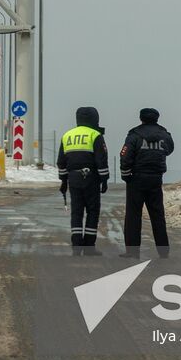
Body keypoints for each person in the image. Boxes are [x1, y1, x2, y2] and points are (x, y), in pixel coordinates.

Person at [119, 107, 174, 257]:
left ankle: (132, 251)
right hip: (156, 178)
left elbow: (125, 156)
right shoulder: (164, 134)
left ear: (141, 118)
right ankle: (163, 251)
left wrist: (126, 175)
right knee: (157, 215)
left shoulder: (134, 134)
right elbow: (170, 149)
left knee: (133, 216)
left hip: (137, 178)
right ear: (157, 118)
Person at [56, 106, 109, 253]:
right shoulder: (95, 135)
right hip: (91, 179)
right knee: (92, 211)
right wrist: (104, 179)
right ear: (95, 118)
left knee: (77, 212)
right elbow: (101, 160)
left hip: (73, 179)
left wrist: (63, 180)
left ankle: (77, 246)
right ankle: (89, 246)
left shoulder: (67, 136)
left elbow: (61, 161)